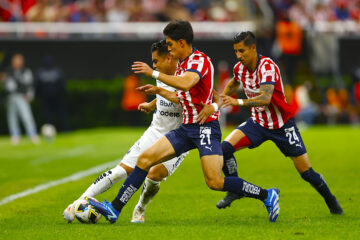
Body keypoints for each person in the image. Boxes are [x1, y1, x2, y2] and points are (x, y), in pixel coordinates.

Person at [89, 20, 280, 223]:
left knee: (214, 181)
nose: (168, 50)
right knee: (145, 160)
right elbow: (183, 96)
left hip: (205, 128)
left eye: (170, 45)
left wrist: (153, 73)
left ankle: (267, 195)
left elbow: (187, 83)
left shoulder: (199, 61)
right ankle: (114, 209)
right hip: (186, 128)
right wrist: (158, 96)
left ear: (181, 42)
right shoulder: (182, 65)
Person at [63, 40, 192, 224]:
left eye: (156, 61)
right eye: (153, 62)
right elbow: (164, 93)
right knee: (119, 171)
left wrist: (157, 91)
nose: (154, 65)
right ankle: (77, 203)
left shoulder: (186, 76)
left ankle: (140, 208)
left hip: (179, 137)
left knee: (154, 175)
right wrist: (152, 103)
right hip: (155, 131)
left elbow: (184, 98)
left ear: (170, 58)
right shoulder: (161, 74)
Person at [217, 31, 343, 215]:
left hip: (283, 126)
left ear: (253, 48)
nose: (238, 55)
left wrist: (238, 102)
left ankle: (331, 201)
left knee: (306, 172)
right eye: (236, 51)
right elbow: (234, 83)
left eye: (242, 51)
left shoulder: (267, 67)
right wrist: (221, 98)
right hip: (257, 124)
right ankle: (235, 190)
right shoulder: (239, 68)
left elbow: (266, 98)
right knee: (223, 150)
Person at [1, 53, 39, 145]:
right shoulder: (9, 71)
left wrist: (29, 94)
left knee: (26, 116)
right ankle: (15, 135)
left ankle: (32, 134)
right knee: (12, 117)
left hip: (22, 96)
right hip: (11, 96)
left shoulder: (25, 71)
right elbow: (5, 84)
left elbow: (29, 84)